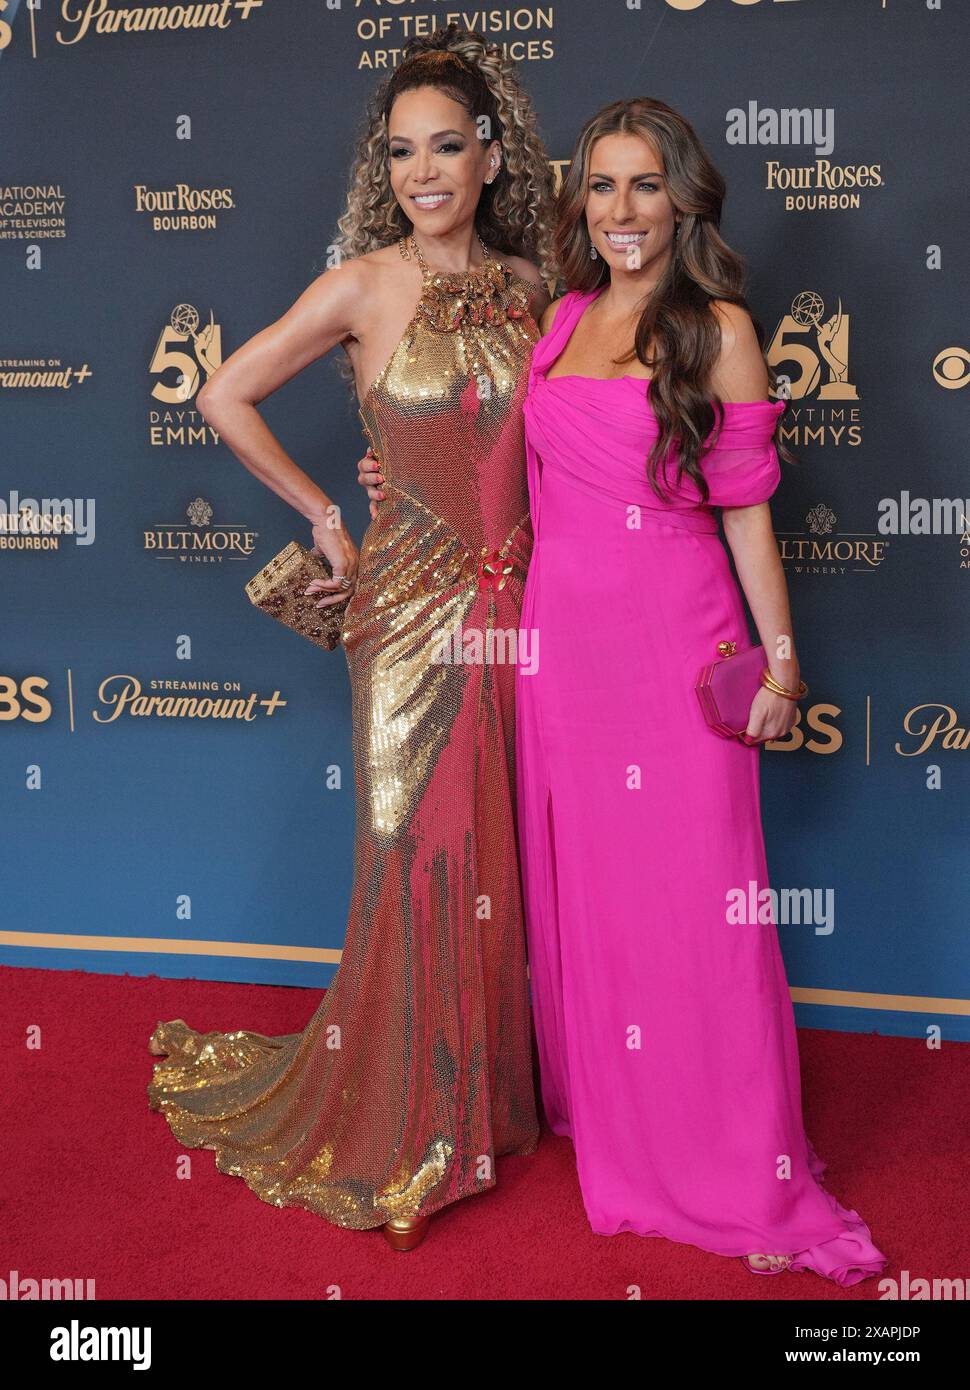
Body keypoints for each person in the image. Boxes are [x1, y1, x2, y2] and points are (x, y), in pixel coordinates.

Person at [360, 97, 887, 1286]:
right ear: (576, 202)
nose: (621, 211)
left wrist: (783, 662)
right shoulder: (557, 322)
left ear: (682, 198)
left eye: (644, 186)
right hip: (565, 653)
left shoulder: (718, 329)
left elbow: (747, 509)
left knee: (698, 907)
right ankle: (620, 1122)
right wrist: (397, 470)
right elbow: (508, 475)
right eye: (600, 186)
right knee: (592, 904)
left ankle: (728, 1155)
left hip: (675, 644)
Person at [146, 25, 555, 1252]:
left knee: (502, 851)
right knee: (411, 850)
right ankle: (401, 1115)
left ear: (489, 156)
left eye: (446, 148)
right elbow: (222, 391)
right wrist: (331, 513)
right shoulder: (362, 284)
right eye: (401, 154)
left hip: (526, 610)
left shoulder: (538, 290)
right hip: (414, 609)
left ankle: (485, 1100)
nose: (424, 173)